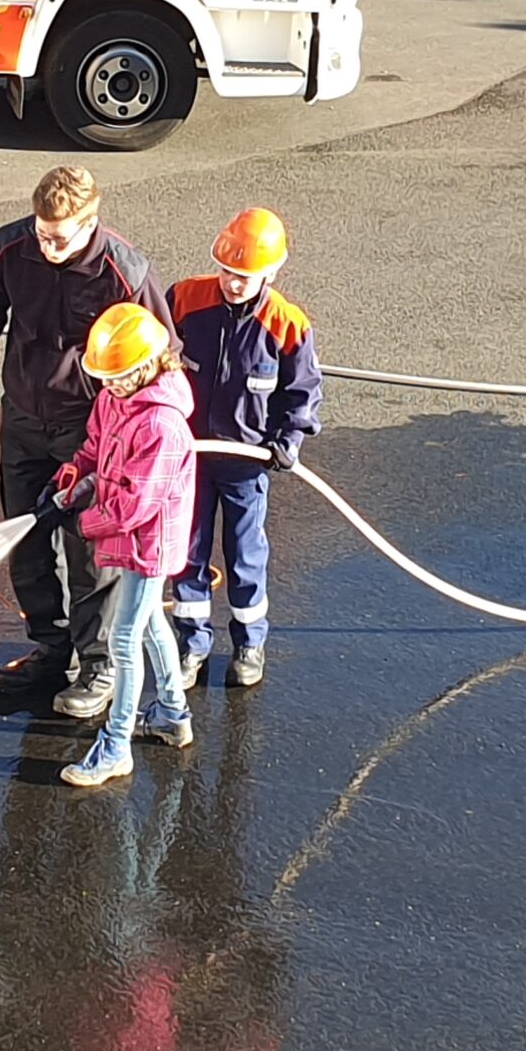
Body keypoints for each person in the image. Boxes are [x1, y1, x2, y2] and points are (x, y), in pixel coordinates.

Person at [0, 166, 170, 718]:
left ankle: (99, 664)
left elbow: (163, 354)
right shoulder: (9, 249)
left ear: (91, 223)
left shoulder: (126, 272)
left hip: (92, 429)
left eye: (60, 237)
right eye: (43, 233)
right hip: (22, 418)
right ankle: (52, 646)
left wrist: (146, 431)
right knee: (27, 541)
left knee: (91, 551)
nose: (49, 246)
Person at [168, 207, 322, 690]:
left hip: (245, 462)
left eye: (247, 276)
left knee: (244, 555)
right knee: (186, 553)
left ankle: (249, 643)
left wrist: (288, 441)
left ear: (271, 274)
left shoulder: (287, 325)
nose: (234, 284)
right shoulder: (184, 300)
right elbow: (156, 361)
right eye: (229, 272)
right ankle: (191, 644)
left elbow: (303, 391)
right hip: (188, 457)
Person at [43, 302, 196, 786]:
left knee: (125, 639)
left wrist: (81, 520)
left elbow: (135, 506)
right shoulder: (114, 399)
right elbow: (94, 447)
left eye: (120, 376)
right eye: (105, 377)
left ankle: (115, 747)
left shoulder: (161, 425)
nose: (108, 385)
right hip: (128, 537)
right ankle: (172, 715)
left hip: (148, 544)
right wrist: (74, 477)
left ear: (149, 365)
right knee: (149, 625)